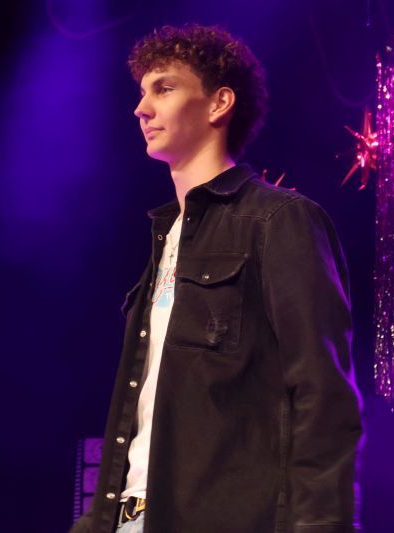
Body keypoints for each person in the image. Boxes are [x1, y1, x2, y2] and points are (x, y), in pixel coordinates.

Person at [71, 23, 362, 533]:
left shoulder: (278, 221)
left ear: (218, 103)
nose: (141, 109)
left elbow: (323, 393)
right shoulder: (165, 239)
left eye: (164, 88)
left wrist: (320, 525)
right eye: (142, 92)